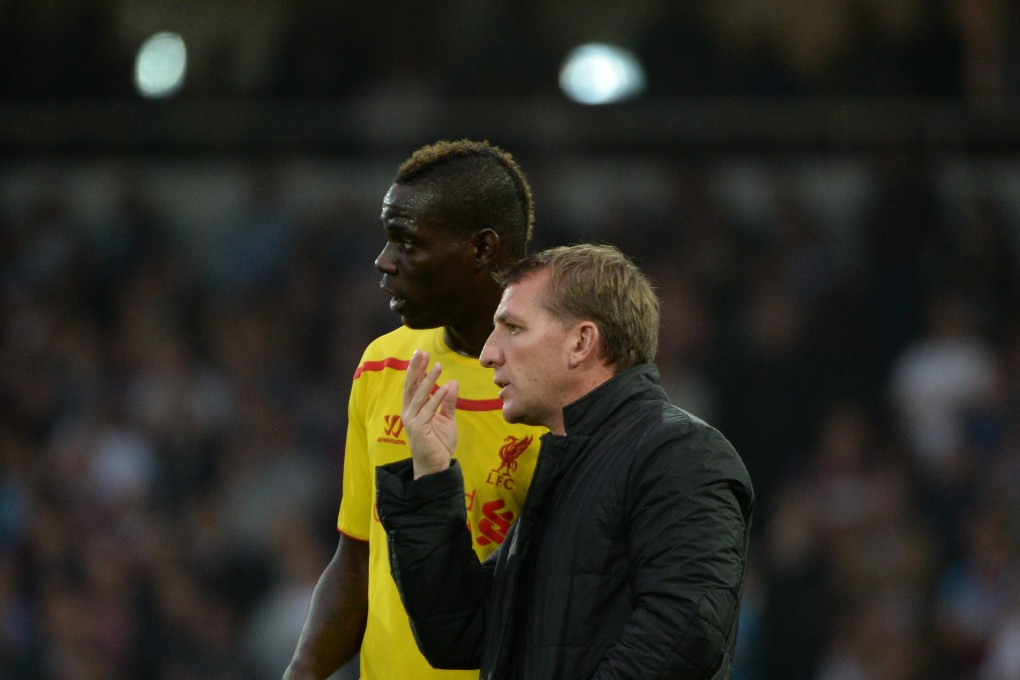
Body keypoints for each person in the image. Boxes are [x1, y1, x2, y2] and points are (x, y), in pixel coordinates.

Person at [376, 243, 755, 679]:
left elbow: (684, 634)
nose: (488, 353)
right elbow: (461, 634)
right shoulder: (566, 465)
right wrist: (431, 477)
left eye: (513, 328)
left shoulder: (681, 453)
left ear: (581, 343)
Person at [284, 140, 546, 680]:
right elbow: (357, 556)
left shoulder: (560, 391)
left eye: (408, 242)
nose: (384, 261)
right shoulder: (384, 364)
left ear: (482, 250)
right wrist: (305, 670)